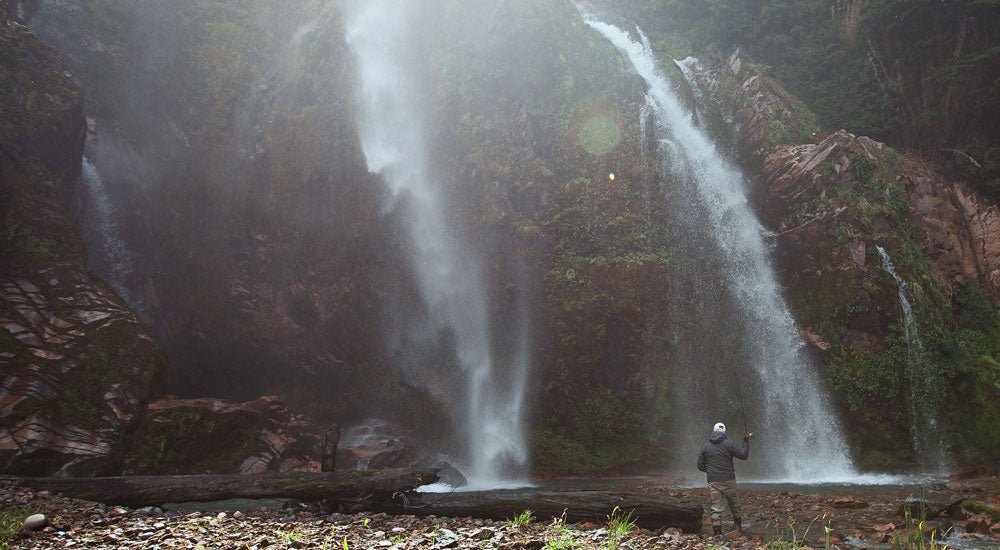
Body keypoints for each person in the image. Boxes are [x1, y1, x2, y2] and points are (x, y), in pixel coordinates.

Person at [697, 422, 750, 536]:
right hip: (728, 479)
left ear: (713, 431)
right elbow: (743, 455)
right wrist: (745, 441)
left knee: (716, 507)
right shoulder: (729, 444)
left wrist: (711, 471)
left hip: (713, 480)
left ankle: (717, 533)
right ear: (724, 432)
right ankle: (738, 527)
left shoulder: (705, 446)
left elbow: (700, 466)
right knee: (734, 504)